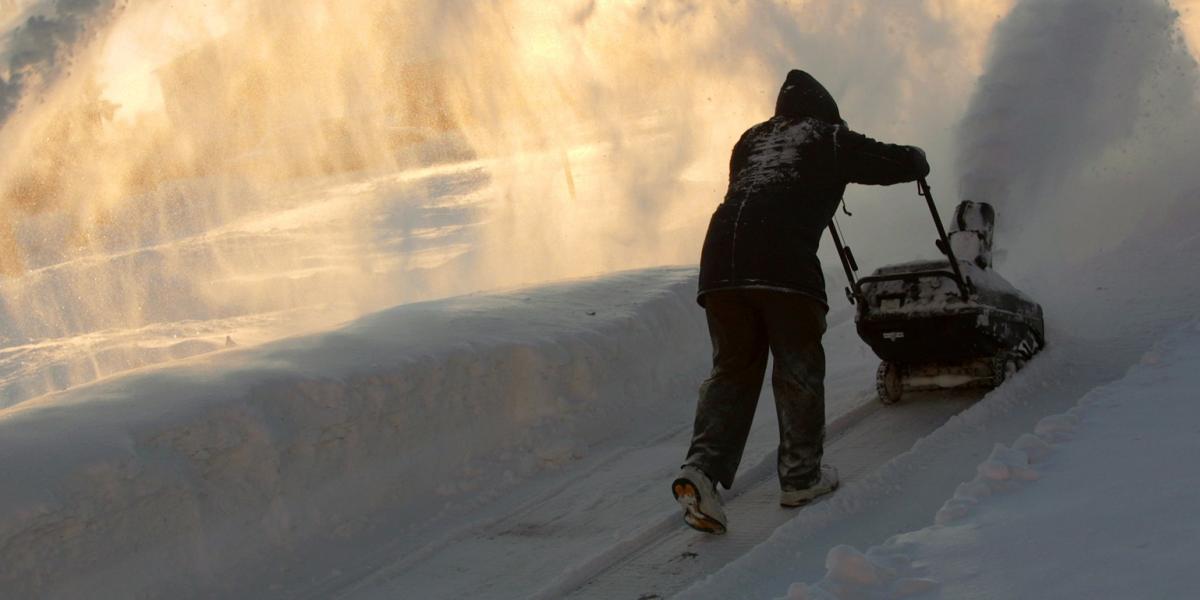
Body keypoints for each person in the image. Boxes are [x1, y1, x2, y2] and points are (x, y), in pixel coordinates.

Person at [671, 69, 930, 534]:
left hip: (721, 266)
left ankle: (700, 472)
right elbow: (887, 161)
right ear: (825, 111)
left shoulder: (750, 140)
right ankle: (800, 476)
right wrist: (917, 159)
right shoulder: (827, 137)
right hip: (782, 266)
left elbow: (763, 192)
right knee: (797, 367)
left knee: (732, 371)